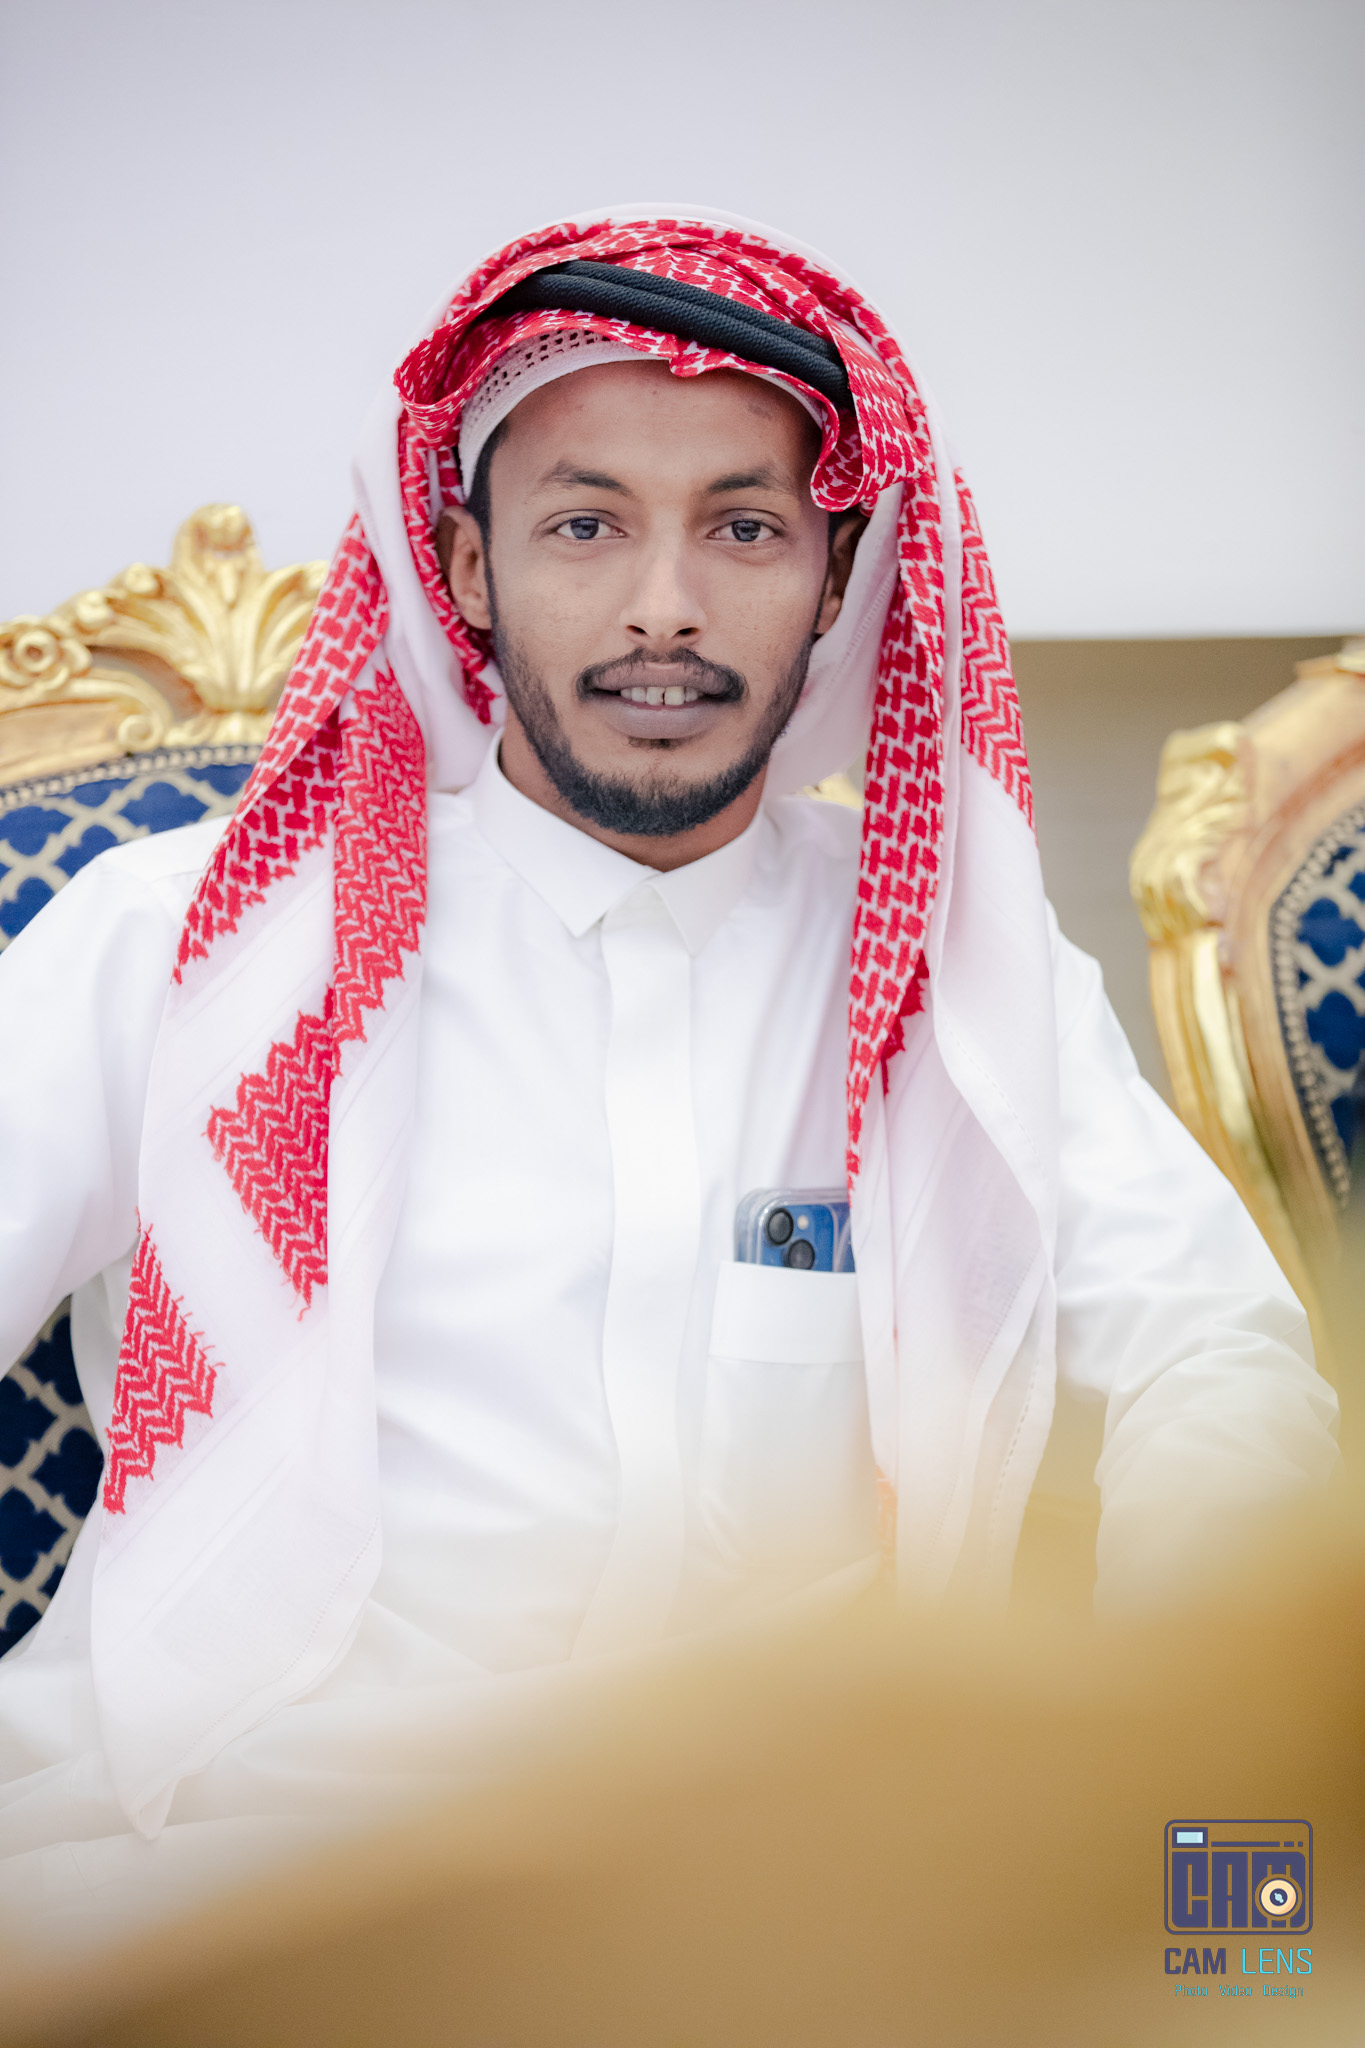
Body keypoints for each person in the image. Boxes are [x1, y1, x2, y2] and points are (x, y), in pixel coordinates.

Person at [0, 206, 1338, 1942]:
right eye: (584, 524)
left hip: (783, 1906)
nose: (663, 609)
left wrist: (1199, 1842)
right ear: (466, 566)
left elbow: (1212, 1359)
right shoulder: (193, 944)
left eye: (743, 527)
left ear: (835, 578)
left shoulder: (948, 967)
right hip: (228, 1881)